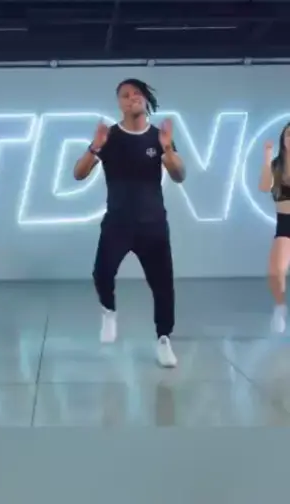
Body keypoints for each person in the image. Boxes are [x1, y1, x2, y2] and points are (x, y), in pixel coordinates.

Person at [73, 78, 186, 368]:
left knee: (162, 285)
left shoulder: (158, 137)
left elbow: (179, 176)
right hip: (118, 223)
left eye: (137, 93)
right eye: (125, 95)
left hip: (153, 224)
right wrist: (94, 147)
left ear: (145, 100)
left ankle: (164, 339)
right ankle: (109, 311)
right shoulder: (109, 137)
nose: (132, 98)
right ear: (119, 103)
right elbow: (79, 174)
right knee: (102, 273)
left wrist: (168, 151)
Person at [259, 123, 290, 333]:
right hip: (285, 224)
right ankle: (280, 307)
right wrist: (267, 158)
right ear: (283, 139)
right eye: (289, 134)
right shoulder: (277, 165)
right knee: (275, 271)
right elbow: (263, 187)